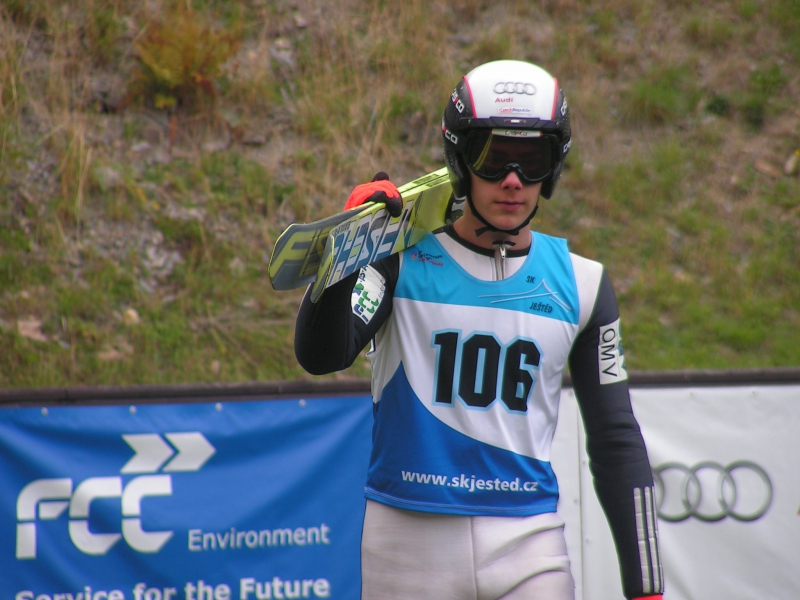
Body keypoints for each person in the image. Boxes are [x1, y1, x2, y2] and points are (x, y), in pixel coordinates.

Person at [294, 60, 663, 600]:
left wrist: (648, 589)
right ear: (459, 160)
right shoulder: (400, 259)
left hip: (530, 544)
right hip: (407, 544)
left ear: (553, 168)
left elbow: (616, 439)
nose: (512, 180)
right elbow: (321, 354)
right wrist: (350, 250)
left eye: (532, 160)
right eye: (492, 158)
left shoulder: (584, 284)